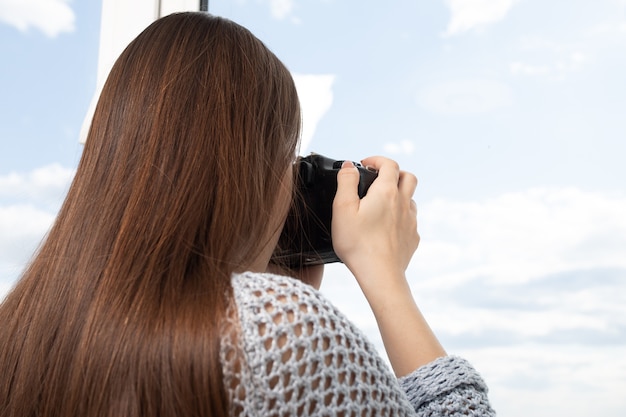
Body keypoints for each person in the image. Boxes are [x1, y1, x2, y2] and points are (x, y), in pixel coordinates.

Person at [0, 12, 495, 417]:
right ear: (245, 169)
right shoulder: (277, 334)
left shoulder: (20, 330)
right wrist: (385, 278)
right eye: (286, 156)